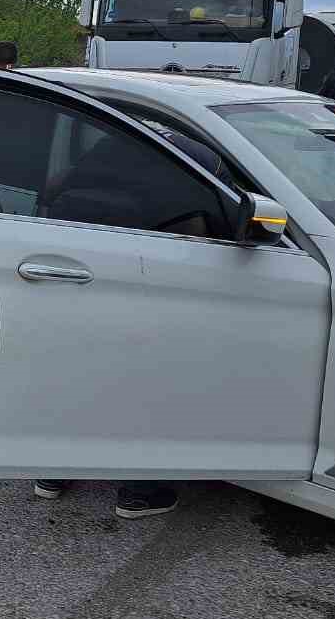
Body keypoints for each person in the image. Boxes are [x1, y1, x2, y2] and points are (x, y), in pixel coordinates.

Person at [31, 126, 233, 520]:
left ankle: (52, 471)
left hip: (78, 272)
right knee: (150, 380)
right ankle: (140, 491)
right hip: (157, 282)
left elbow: (53, 191)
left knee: (80, 371)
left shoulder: (108, 144)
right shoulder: (203, 159)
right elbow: (231, 225)